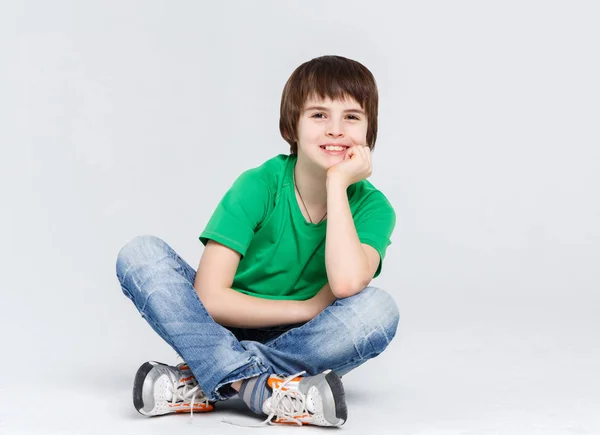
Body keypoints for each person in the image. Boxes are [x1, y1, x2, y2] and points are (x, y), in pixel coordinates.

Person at [116, 54, 400, 427]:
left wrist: (336, 184)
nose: (335, 129)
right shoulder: (259, 184)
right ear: (292, 127)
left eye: (351, 116)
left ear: (369, 131)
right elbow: (209, 297)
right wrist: (305, 308)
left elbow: (347, 283)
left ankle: (207, 376)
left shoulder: (374, 208)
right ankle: (266, 389)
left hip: (304, 338)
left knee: (379, 311)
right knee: (140, 254)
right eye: (318, 115)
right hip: (223, 323)